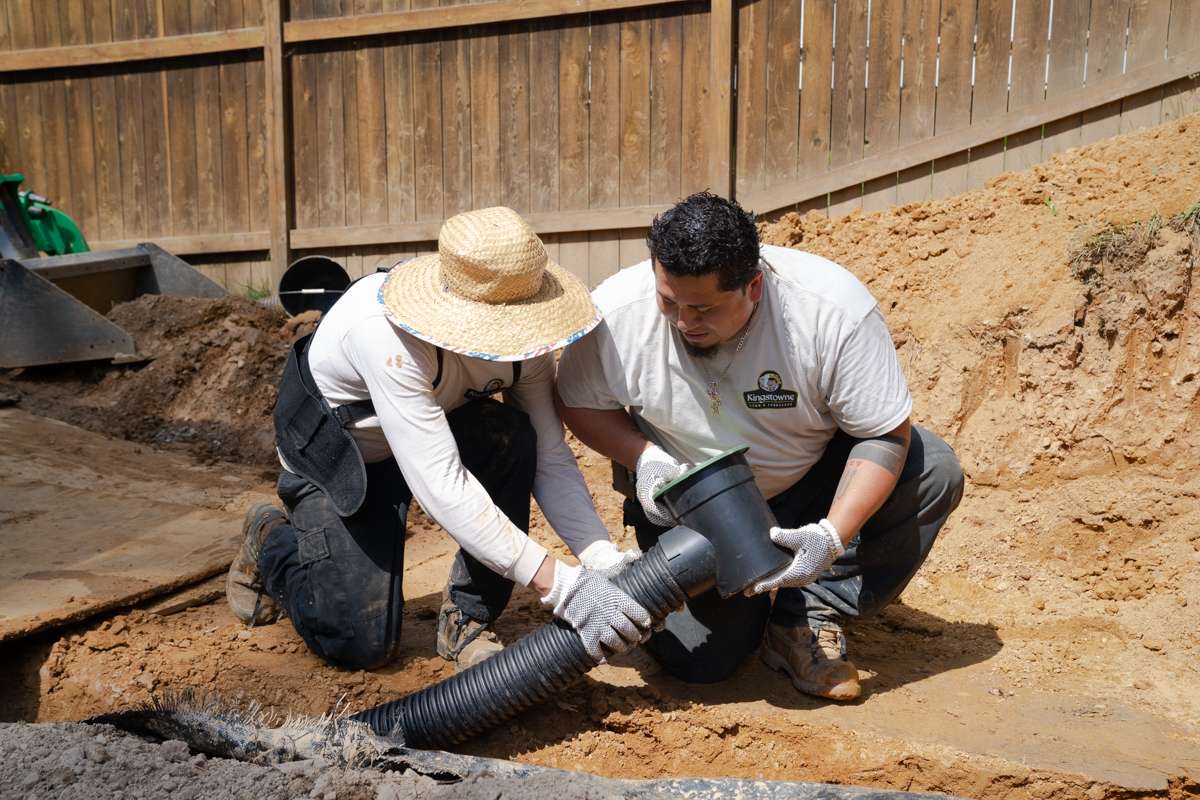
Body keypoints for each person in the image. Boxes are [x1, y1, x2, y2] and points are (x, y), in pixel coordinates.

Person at [555, 192, 964, 701]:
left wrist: (832, 537)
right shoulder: (616, 312)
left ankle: (806, 614)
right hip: (692, 507)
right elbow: (578, 402)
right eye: (670, 301)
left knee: (934, 470)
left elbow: (883, 433)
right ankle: (711, 607)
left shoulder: (829, 311)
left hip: (808, 485)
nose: (683, 322)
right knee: (701, 662)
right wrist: (644, 458)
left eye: (703, 308)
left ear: (754, 285)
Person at [226, 206, 651, 672]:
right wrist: (562, 587)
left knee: (511, 436)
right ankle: (269, 539)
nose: (520, 335)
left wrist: (600, 557)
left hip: (434, 432)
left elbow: (551, 455)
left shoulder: (525, 339)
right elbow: (440, 482)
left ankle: (466, 615)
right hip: (343, 457)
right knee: (357, 640)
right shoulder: (383, 332)